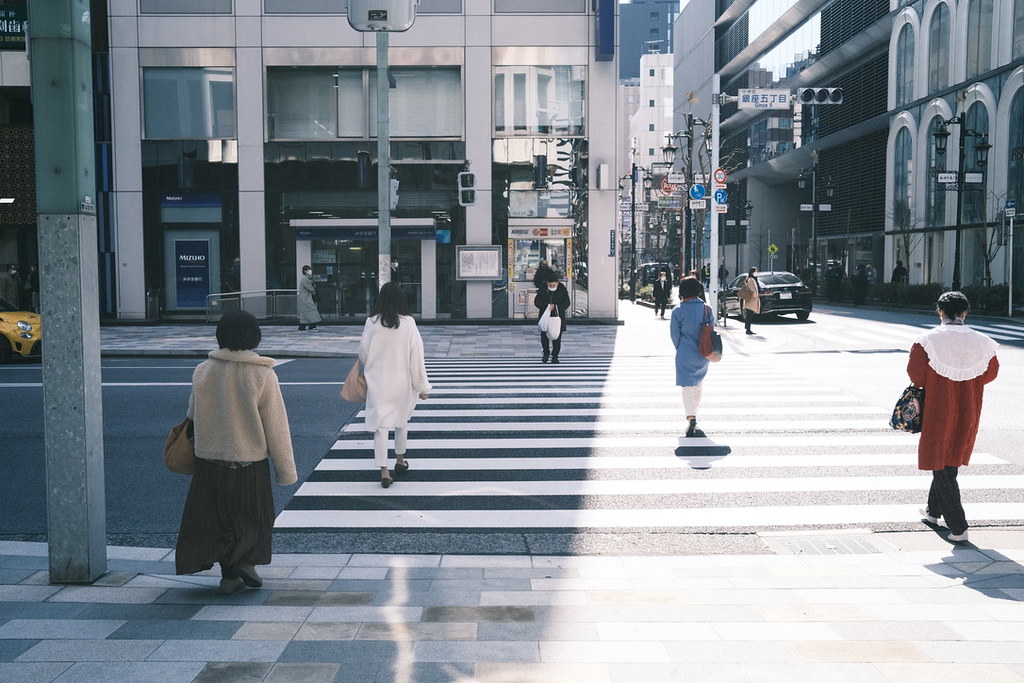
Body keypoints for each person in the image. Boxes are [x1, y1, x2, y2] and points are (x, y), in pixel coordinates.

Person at [176, 309, 297, 594]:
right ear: (254, 337)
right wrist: (285, 470)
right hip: (248, 462)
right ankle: (245, 562)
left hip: (210, 461)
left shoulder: (203, 370)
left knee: (217, 520)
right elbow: (276, 426)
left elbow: (192, 413)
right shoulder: (261, 374)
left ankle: (228, 576)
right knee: (252, 517)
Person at [909, 291, 999, 543]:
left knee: (941, 462)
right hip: (969, 404)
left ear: (940, 311)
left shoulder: (927, 340)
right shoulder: (983, 341)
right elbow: (990, 373)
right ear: (965, 312)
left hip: (938, 404)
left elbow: (916, 374)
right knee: (951, 457)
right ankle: (932, 512)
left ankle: (958, 526)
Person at [359, 282, 432, 488]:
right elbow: (417, 357)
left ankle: (384, 471)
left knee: (381, 427)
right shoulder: (408, 323)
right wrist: (423, 387)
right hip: (402, 382)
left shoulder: (371, 322)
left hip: (378, 382)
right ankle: (400, 460)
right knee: (401, 421)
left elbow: (364, 353)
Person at [670, 277, 713, 438]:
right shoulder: (707, 309)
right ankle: (694, 413)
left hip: (685, 353)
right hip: (703, 352)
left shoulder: (678, 310)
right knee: (698, 383)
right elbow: (711, 330)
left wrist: (681, 349)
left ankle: (691, 416)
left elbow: (675, 336)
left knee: (687, 386)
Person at [534, 272, 570, 363]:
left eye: (554, 285)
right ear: (547, 283)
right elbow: (537, 302)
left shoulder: (562, 289)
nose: (552, 286)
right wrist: (547, 306)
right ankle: (546, 353)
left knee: (557, 336)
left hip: (558, 316)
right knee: (544, 337)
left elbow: (567, 303)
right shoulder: (543, 289)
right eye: (550, 285)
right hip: (545, 316)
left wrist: (556, 306)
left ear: (557, 283)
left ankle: (555, 356)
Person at [297, 265, 321, 332]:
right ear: (305, 271)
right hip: (306, 299)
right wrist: (314, 292)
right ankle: (312, 327)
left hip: (306, 298)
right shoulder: (305, 279)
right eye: (308, 270)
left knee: (305, 313)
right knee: (312, 312)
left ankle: (302, 327)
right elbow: (310, 288)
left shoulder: (308, 278)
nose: (310, 271)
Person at [738, 267, 760, 335]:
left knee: (749, 314)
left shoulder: (752, 279)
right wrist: (755, 296)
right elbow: (752, 289)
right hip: (751, 299)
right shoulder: (751, 280)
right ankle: (748, 329)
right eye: (756, 271)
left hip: (751, 299)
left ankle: (748, 328)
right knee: (749, 315)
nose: (757, 273)